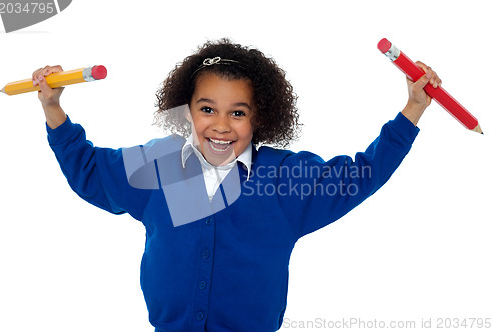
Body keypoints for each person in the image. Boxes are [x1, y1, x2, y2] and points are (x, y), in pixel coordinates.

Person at [33, 38, 441, 332]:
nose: (222, 126)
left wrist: (412, 109)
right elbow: (88, 169)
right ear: (187, 110)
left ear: (259, 118)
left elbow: (360, 175)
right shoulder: (159, 165)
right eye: (207, 109)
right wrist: (53, 107)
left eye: (238, 113)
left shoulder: (285, 180)